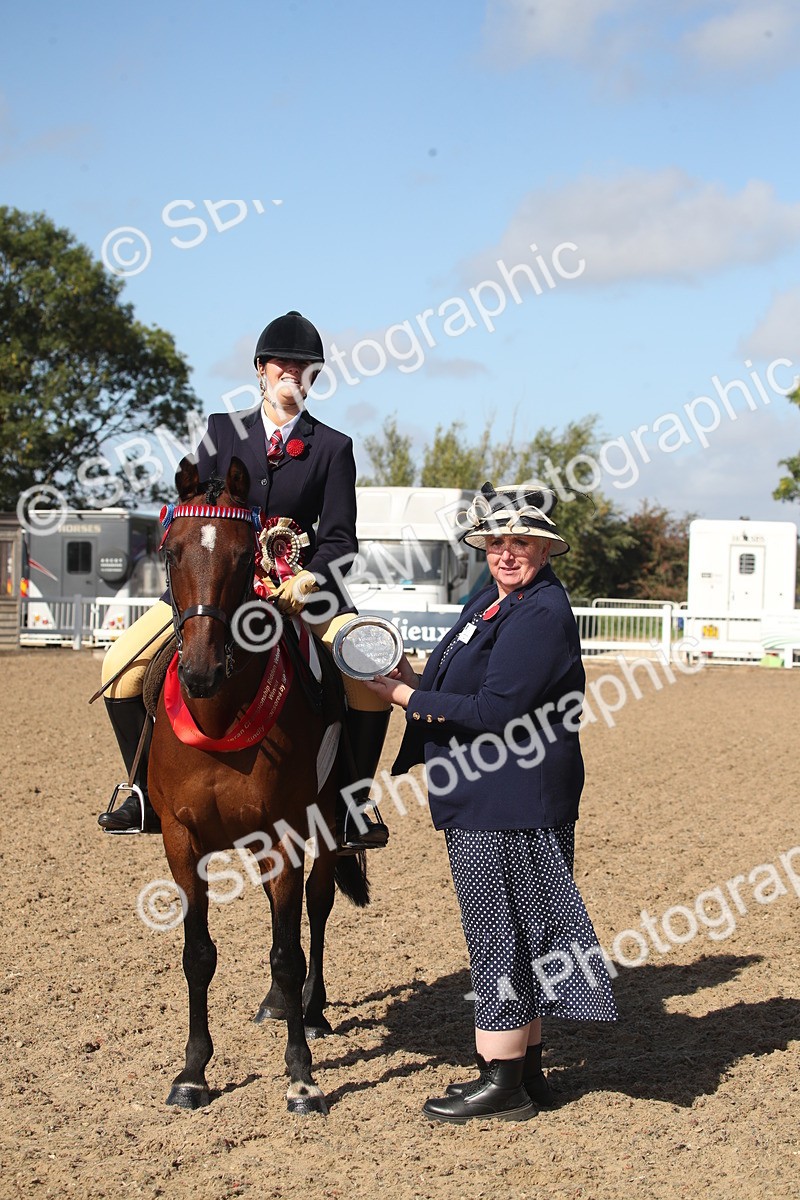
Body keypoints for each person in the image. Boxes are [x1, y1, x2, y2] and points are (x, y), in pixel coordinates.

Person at [363, 482, 617, 1124]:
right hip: (495, 795)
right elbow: (468, 680)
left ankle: (499, 1077)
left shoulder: (539, 612)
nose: (507, 554)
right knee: (521, 936)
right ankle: (525, 1075)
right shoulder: (493, 601)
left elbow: (497, 710)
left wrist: (404, 699)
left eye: (521, 544)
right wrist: (417, 678)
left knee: (498, 939)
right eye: (498, 543)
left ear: (545, 550)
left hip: (511, 799)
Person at [98, 311, 390, 851]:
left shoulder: (333, 447)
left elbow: (342, 538)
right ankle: (141, 793)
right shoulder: (221, 431)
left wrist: (308, 579)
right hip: (214, 590)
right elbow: (198, 510)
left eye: (304, 366)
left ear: (315, 378)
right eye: (283, 363)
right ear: (260, 369)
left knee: (369, 678)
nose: (292, 372)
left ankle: (352, 806)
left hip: (299, 594)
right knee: (120, 666)